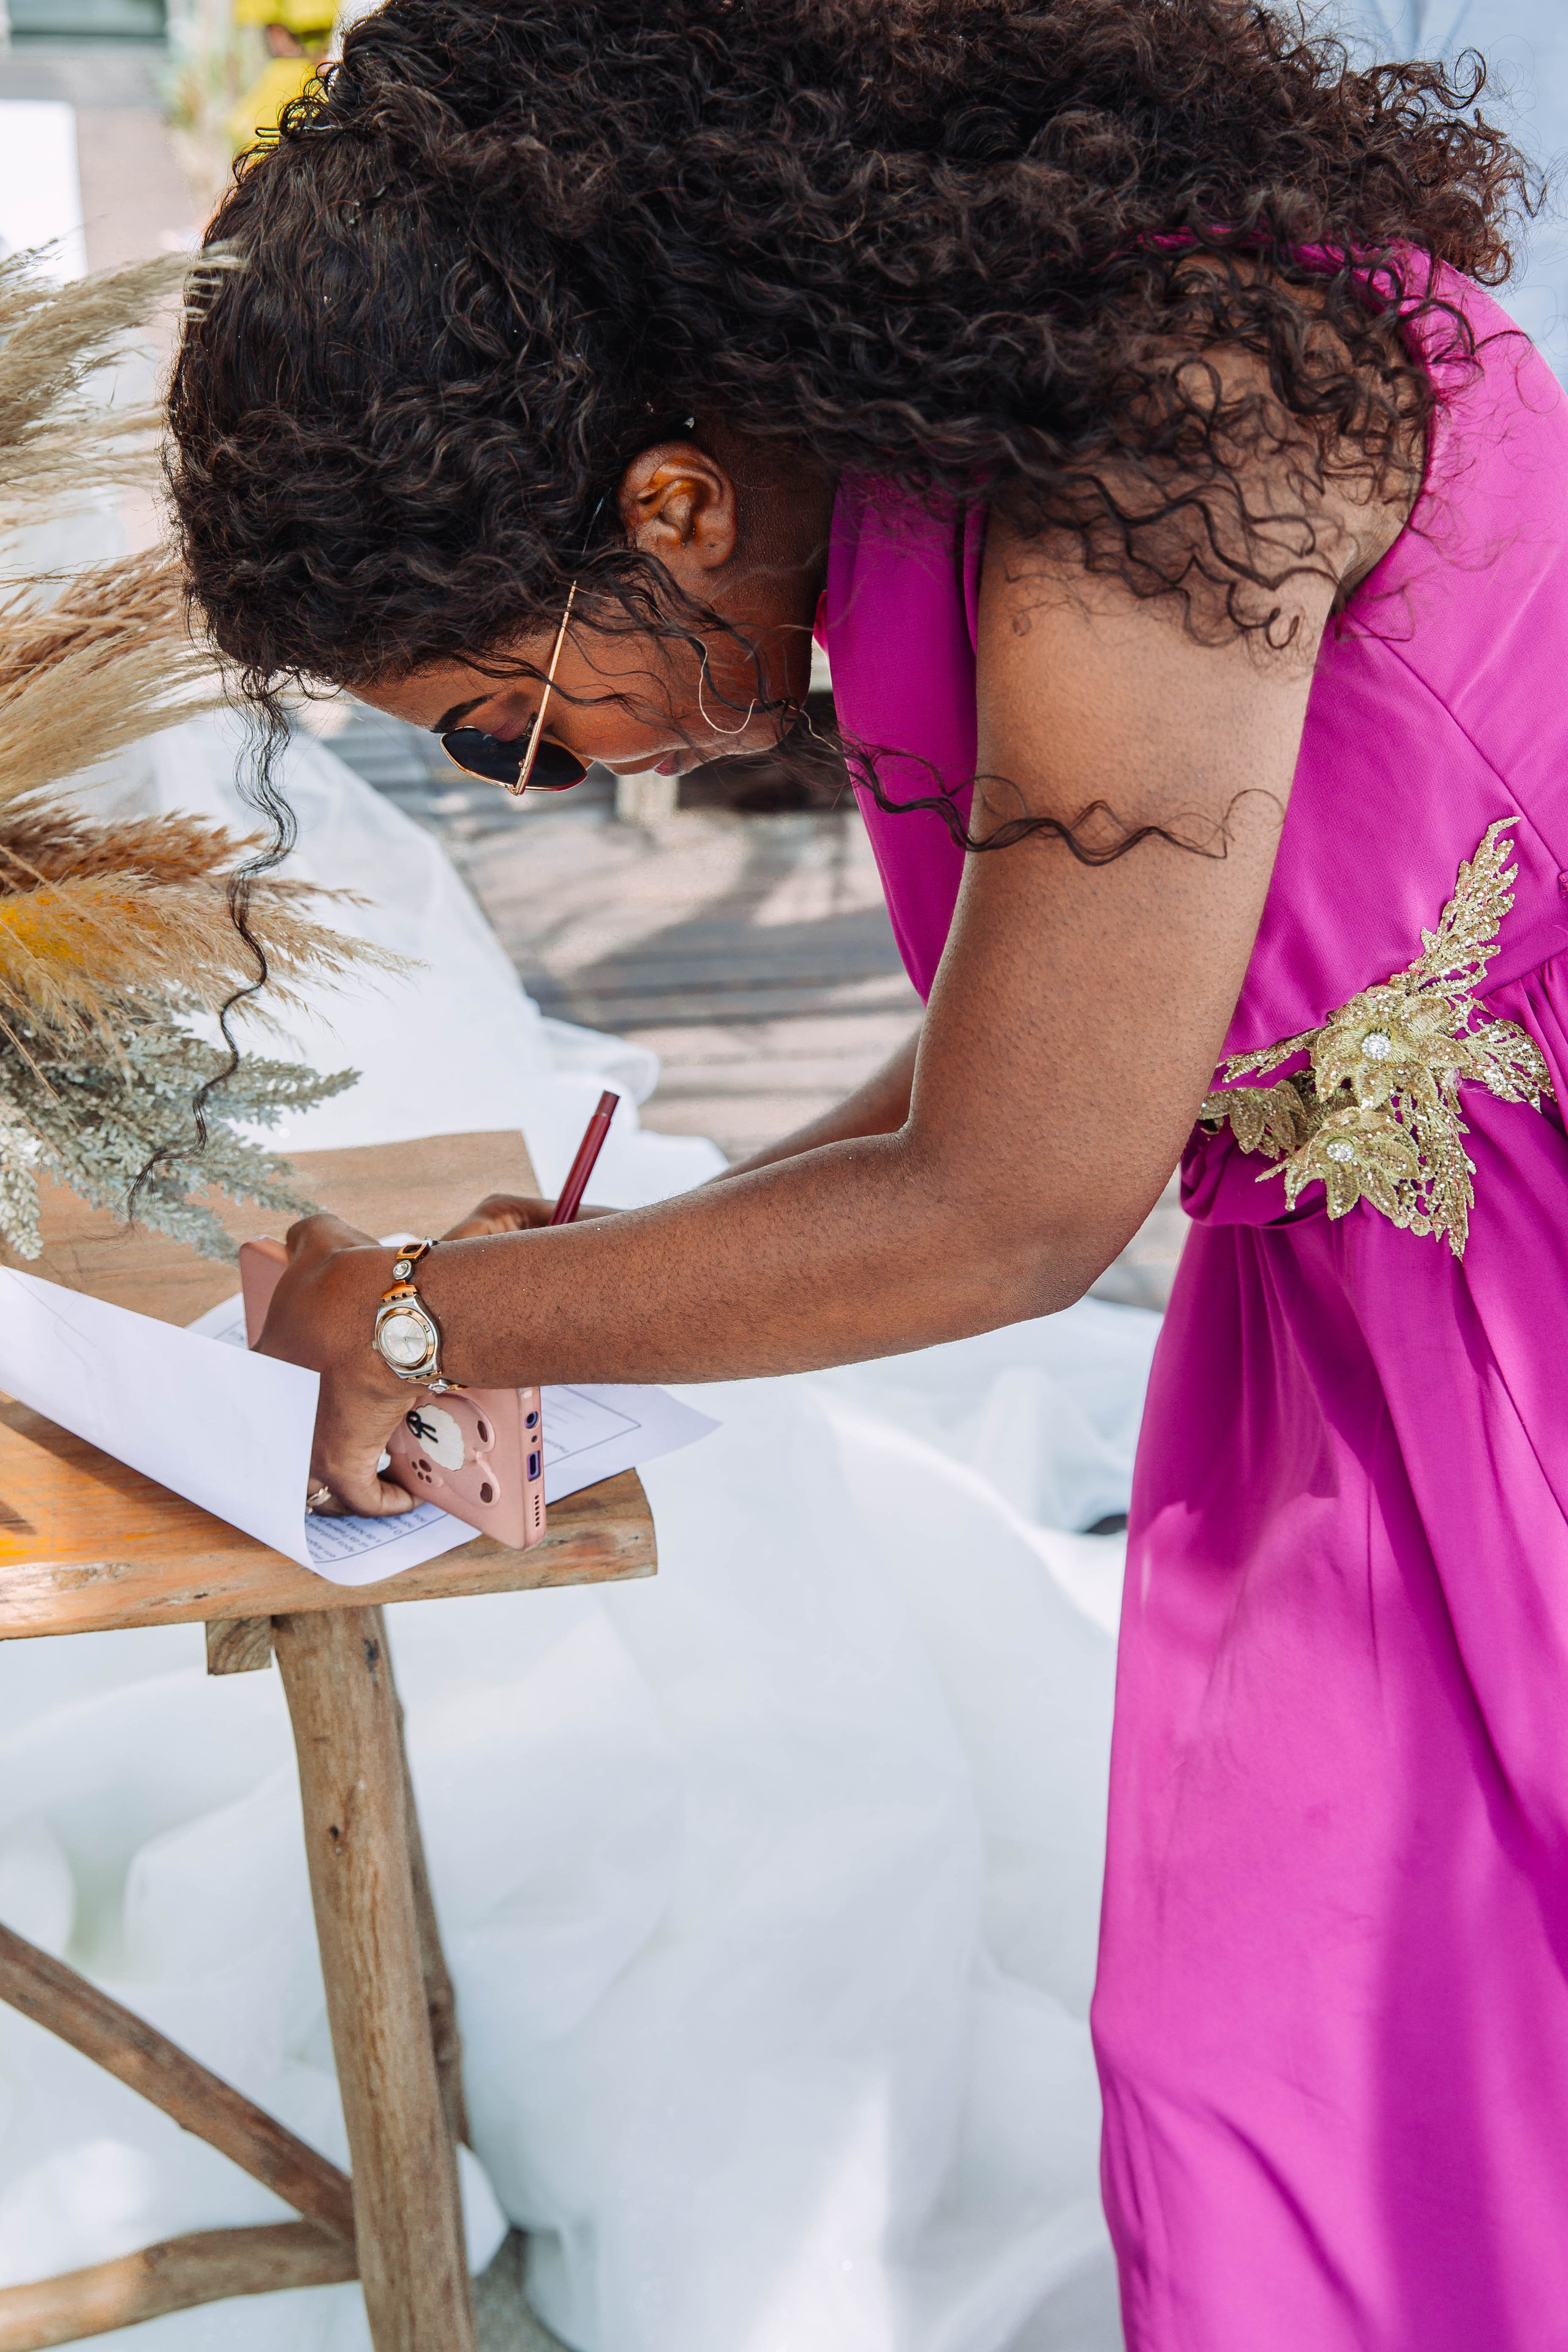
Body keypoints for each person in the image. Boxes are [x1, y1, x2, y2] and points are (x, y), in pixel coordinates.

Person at [166, 1, 1568, 2340]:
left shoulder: (1168, 429)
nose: (574, 780)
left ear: (673, 510)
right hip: (1344, 1324)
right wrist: (590, 1271)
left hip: (1519, 1297)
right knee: (1286, 2085)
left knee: (1395, 2064)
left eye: (502, 732)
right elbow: (1041, 1045)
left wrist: (409, 1310)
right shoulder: (980, 452)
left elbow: (1018, 1196)